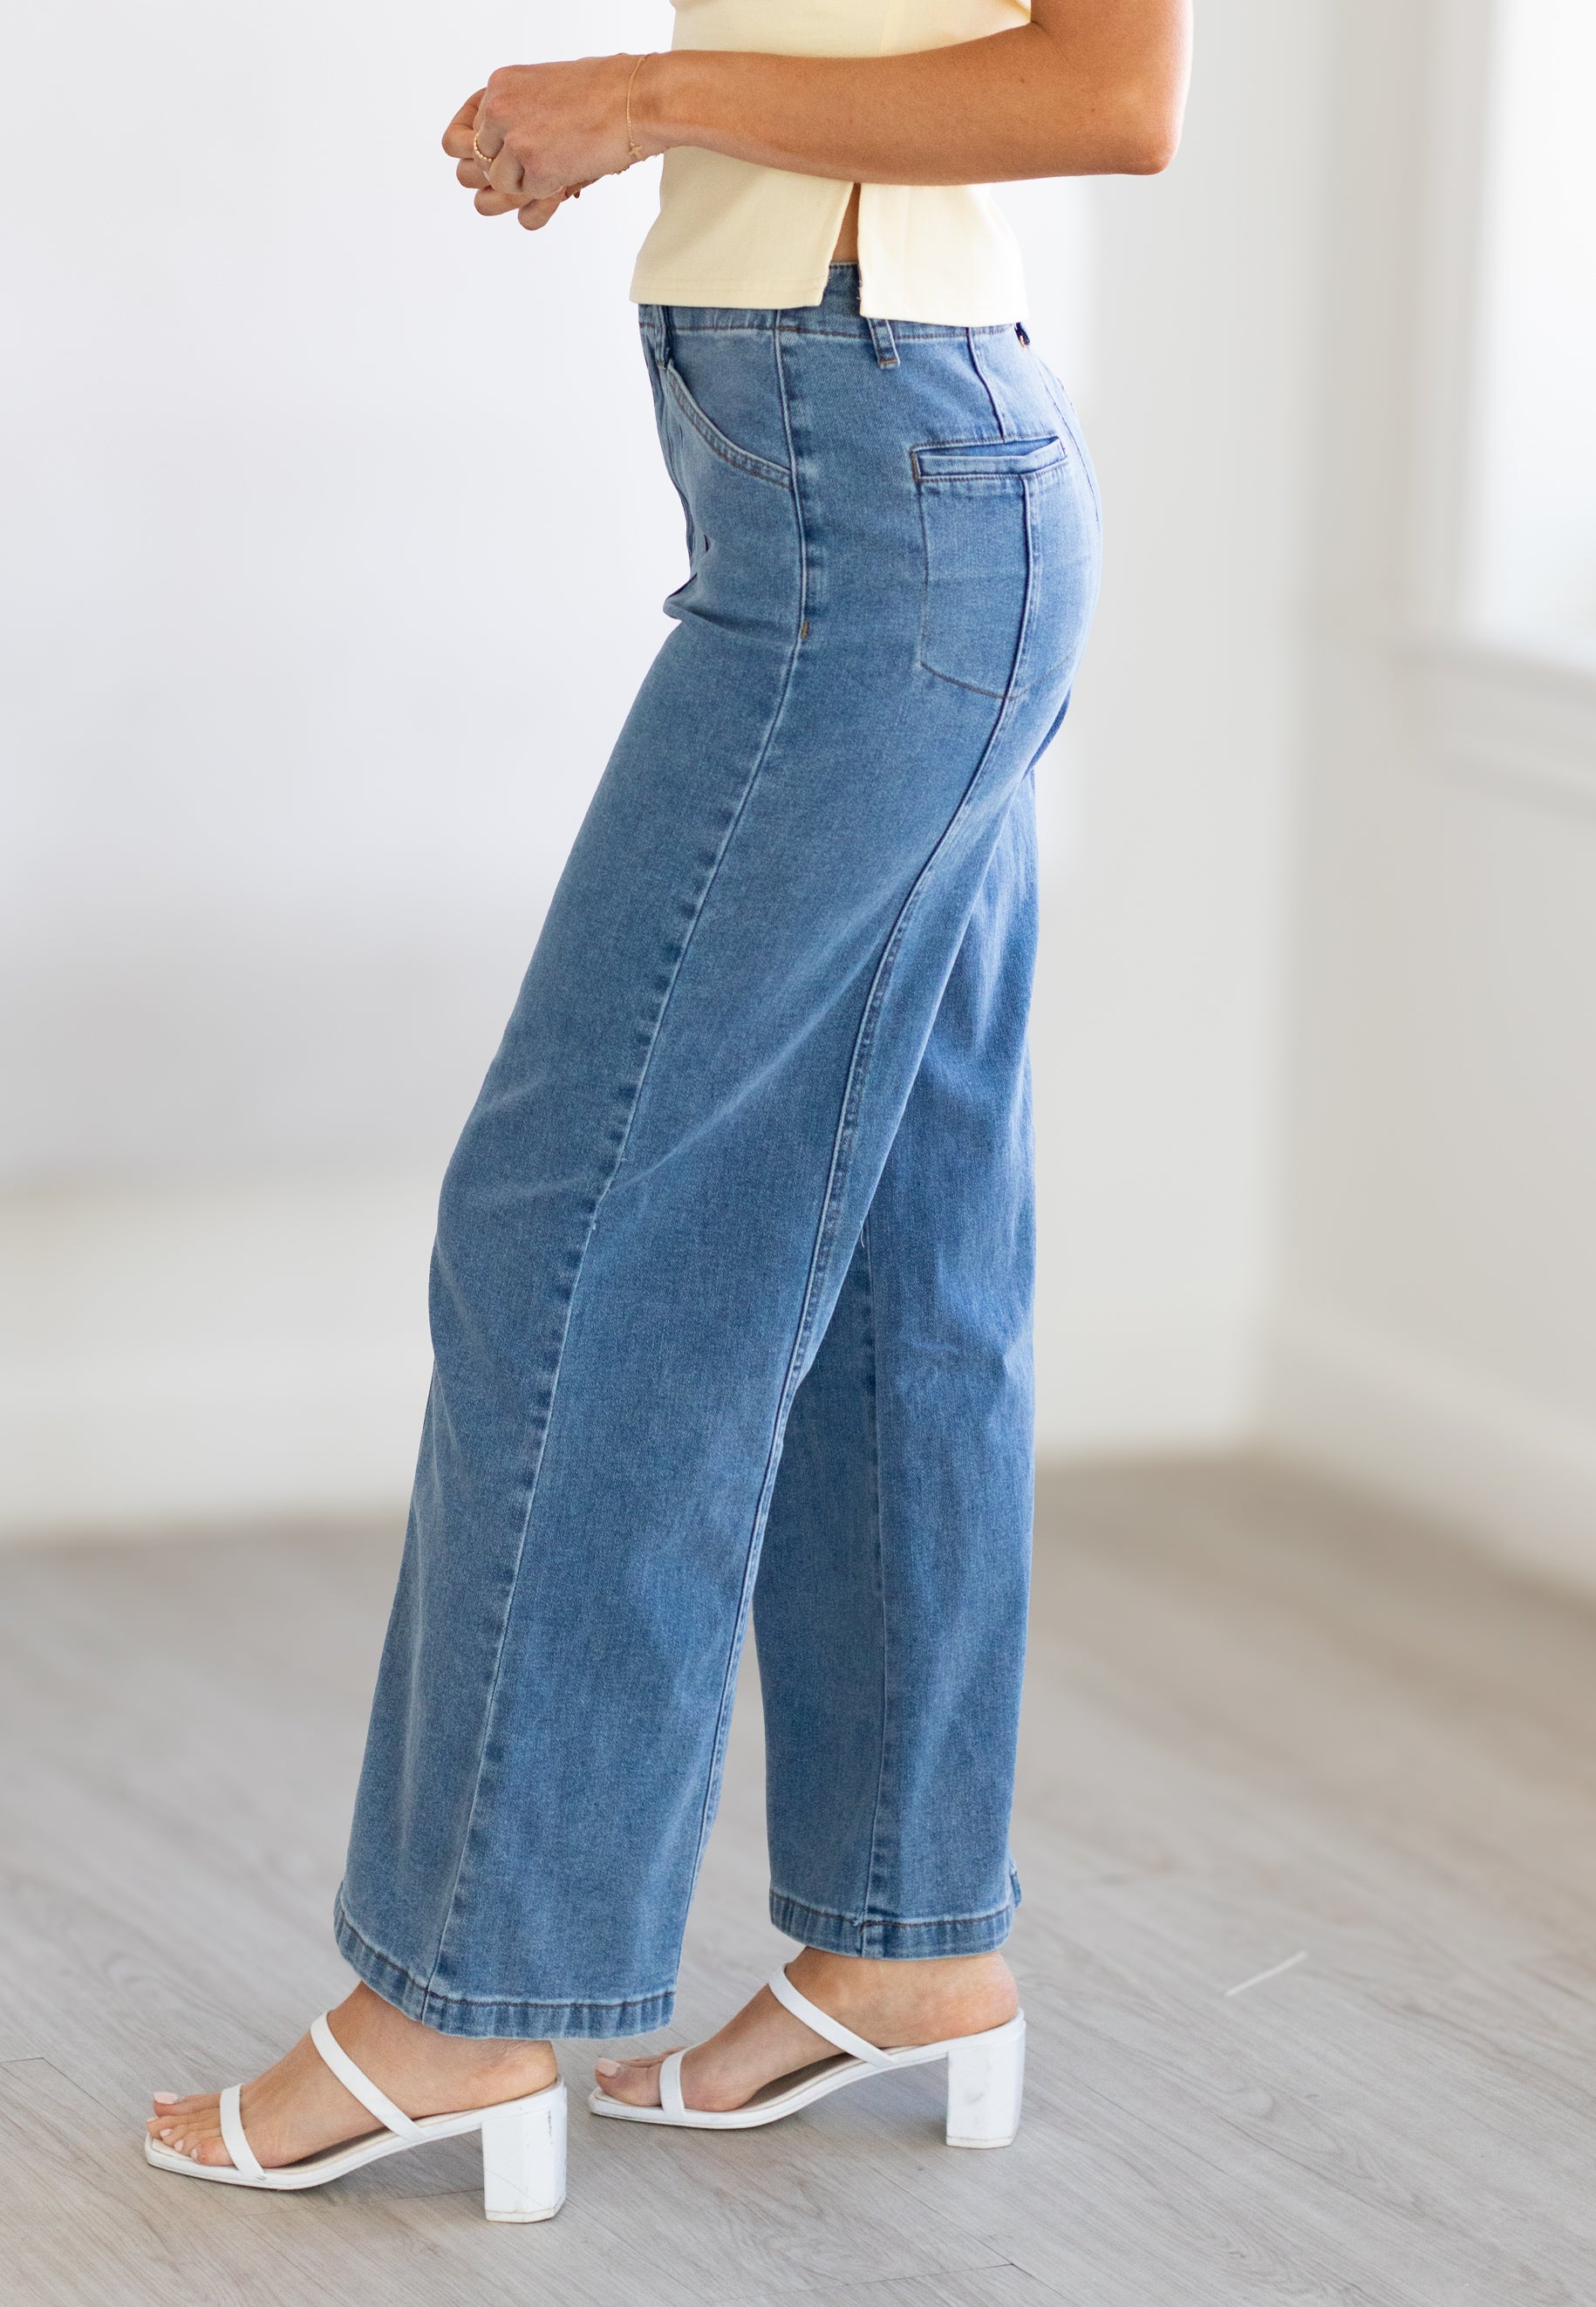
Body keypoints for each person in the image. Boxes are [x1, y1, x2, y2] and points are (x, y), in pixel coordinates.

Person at [145, 0, 1190, 2222]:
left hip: (880, 518)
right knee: (909, 1252)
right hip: (884, 487)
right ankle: (906, 1948)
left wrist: (636, 99)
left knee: (578, 1220)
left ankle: (469, 1998)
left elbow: (1112, 94)